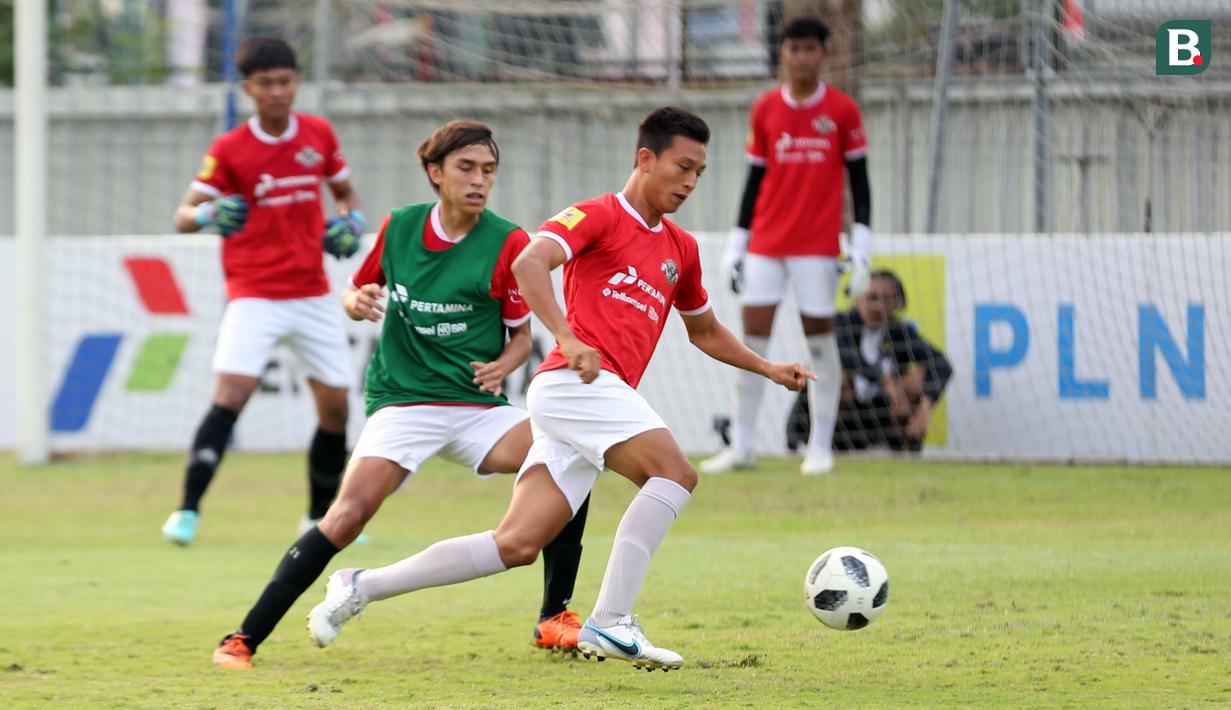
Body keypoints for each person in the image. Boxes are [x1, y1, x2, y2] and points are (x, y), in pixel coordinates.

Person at [305, 107, 813, 671]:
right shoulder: (596, 215)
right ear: (645, 159)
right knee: (676, 473)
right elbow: (530, 261)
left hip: (585, 399)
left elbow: (706, 332)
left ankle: (361, 585)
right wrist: (567, 337)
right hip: (574, 385)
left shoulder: (681, 249)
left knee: (517, 544)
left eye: (700, 172)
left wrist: (767, 368)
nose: (691, 182)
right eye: (682, 167)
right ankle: (612, 620)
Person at [212, 120, 593, 670]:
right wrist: (354, 300)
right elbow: (355, 289)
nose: (479, 180)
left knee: (568, 450)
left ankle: (554, 615)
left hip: (476, 409)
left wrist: (503, 368)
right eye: (466, 168)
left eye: (488, 170)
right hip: (403, 402)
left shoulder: (509, 241)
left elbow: (519, 338)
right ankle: (244, 637)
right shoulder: (401, 227)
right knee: (346, 517)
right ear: (435, 173)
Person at [161, 37, 366, 546]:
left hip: (313, 294)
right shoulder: (230, 149)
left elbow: (344, 193)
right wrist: (207, 214)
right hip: (253, 292)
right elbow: (182, 216)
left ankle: (320, 517)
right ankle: (186, 512)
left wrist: (351, 221)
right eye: (266, 83)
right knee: (231, 395)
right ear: (247, 89)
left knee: (336, 408)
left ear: (296, 82)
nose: (278, 92)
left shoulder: (317, 134)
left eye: (286, 81)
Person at [700, 17, 873, 476]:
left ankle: (820, 446)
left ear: (825, 53)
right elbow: (753, 181)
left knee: (820, 343)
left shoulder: (842, 111)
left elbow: (860, 181)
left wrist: (861, 248)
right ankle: (743, 445)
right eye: (793, 48)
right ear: (782, 54)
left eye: (810, 48)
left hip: (816, 247)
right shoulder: (765, 110)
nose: (801, 57)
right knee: (752, 342)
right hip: (766, 244)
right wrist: (736, 245)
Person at [788, 270, 951, 452]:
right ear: (858, 298)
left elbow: (942, 365)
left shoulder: (900, 332)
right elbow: (844, 355)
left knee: (917, 379)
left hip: (875, 417)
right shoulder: (839, 323)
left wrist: (926, 406)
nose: (878, 306)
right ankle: (820, 445)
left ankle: (901, 449)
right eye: (872, 298)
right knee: (837, 376)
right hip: (834, 420)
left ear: (898, 303)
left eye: (887, 300)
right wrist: (885, 380)